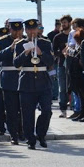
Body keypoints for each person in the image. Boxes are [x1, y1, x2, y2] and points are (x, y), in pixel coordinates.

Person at [13, 19, 54, 149]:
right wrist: (25, 53)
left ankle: (41, 134)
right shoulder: (20, 44)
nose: (31, 32)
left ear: (38, 29)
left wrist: (41, 53)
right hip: (27, 82)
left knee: (47, 110)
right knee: (27, 114)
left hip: (43, 81)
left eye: (33, 29)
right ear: (25, 30)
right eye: (29, 29)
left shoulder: (46, 43)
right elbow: (16, 63)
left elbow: (51, 62)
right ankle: (30, 139)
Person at [0, 19, 25, 145]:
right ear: (10, 30)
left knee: (23, 108)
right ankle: (13, 134)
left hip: (23, 78)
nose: (17, 33)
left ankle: (22, 131)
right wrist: (11, 47)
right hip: (8, 78)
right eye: (14, 30)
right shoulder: (2, 41)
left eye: (19, 30)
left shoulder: (26, 40)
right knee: (11, 109)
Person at [53, 15, 72, 118]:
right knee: (62, 88)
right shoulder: (58, 37)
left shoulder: (74, 35)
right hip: (61, 65)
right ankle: (63, 110)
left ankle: (75, 108)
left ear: (70, 23)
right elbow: (54, 52)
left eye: (65, 22)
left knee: (74, 87)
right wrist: (62, 52)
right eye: (62, 23)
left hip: (73, 65)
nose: (63, 24)